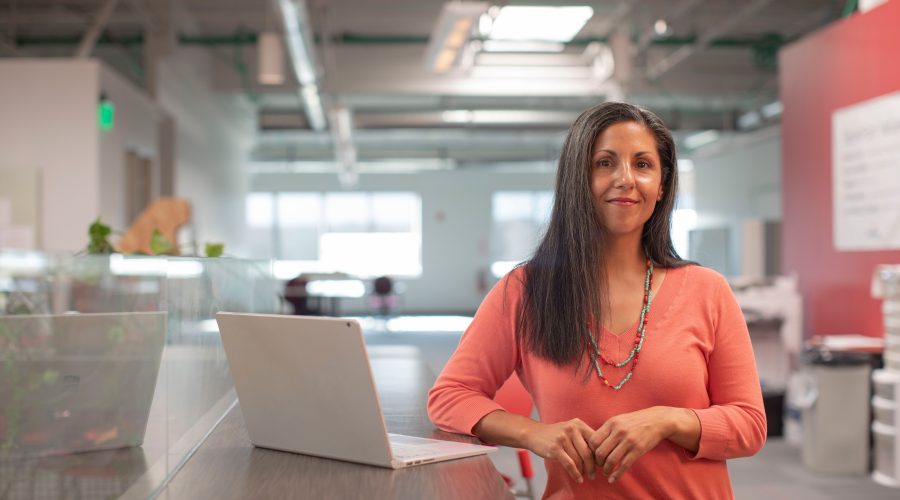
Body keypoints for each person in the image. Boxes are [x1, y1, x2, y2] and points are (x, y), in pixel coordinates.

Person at [427, 102, 766, 499]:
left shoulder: (707, 290)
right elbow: (449, 397)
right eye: (605, 163)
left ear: (661, 185)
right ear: (578, 179)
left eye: (642, 164)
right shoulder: (525, 291)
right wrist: (533, 433)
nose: (625, 179)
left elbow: (750, 425)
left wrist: (669, 421)